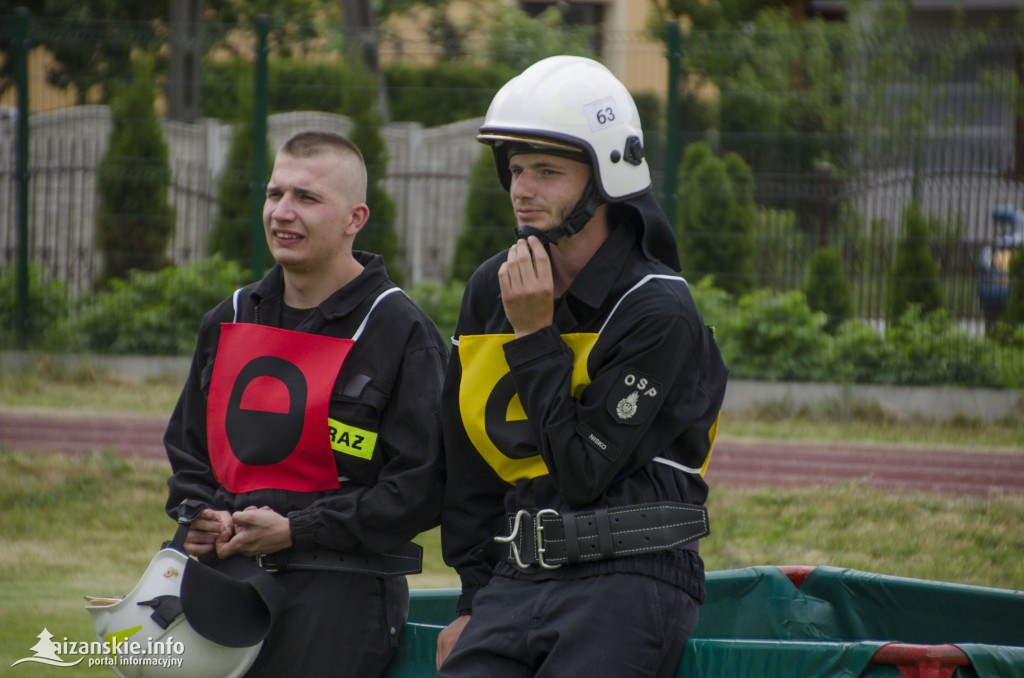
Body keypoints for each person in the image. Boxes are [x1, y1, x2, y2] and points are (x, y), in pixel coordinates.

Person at [436, 56, 729, 677]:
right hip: (515, 580)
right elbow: (466, 462)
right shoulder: (492, 287)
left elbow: (583, 470)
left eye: (547, 170)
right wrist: (470, 598)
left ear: (605, 179)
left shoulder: (658, 307)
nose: (522, 189)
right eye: (516, 169)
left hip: (631, 577)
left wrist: (536, 334)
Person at [164, 130, 447, 677]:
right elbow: (190, 452)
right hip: (221, 585)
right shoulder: (230, 317)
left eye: (307, 198)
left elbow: (422, 488)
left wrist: (300, 530)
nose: (282, 213)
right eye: (275, 194)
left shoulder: (400, 330)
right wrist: (197, 513)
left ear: (355, 218)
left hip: (339, 599)